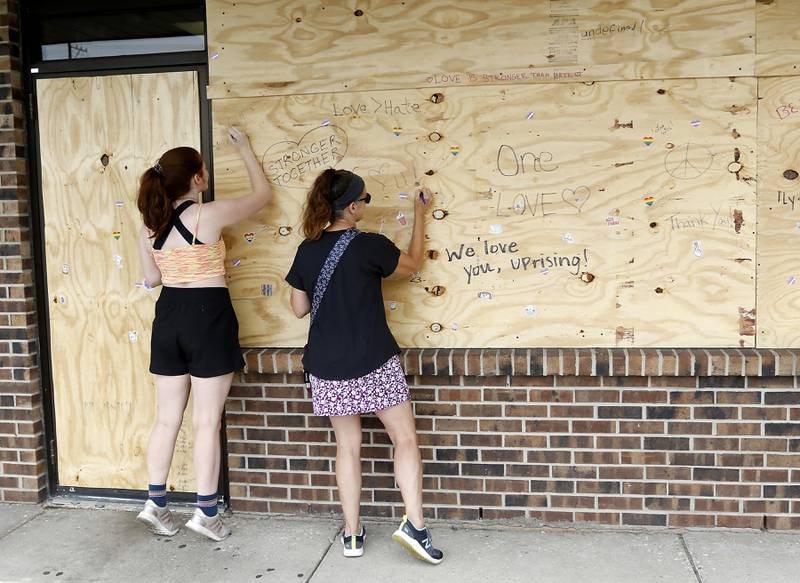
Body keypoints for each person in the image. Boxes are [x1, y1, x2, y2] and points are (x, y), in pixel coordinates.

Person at [285, 169, 443, 564]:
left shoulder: (307, 249)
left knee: (347, 448)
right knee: (404, 440)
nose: (367, 205)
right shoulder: (370, 246)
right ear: (353, 207)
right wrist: (420, 214)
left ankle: (353, 534)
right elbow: (413, 265)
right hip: (373, 360)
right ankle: (416, 527)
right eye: (366, 199)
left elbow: (299, 307)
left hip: (327, 365)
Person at [134, 128, 271, 541]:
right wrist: (245, 149)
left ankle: (155, 504)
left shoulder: (149, 225)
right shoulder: (204, 215)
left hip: (168, 315)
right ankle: (206, 513)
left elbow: (151, 278)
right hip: (208, 315)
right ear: (196, 178)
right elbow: (263, 197)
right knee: (206, 422)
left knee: (166, 419)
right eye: (203, 168)